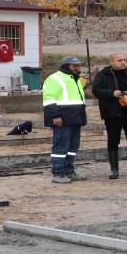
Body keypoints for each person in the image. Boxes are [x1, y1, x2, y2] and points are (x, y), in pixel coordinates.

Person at [91, 52, 127, 179]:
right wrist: (112, 93)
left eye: (124, 60)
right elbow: (96, 90)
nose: (123, 62)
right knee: (113, 141)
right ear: (111, 62)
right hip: (112, 113)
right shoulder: (103, 75)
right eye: (119, 60)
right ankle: (114, 170)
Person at [43, 55, 88, 184]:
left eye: (78, 65)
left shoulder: (76, 79)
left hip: (75, 118)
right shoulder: (54, 78)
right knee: (61, 146)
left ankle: (69, 171)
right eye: (74, 66)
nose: (77, 68)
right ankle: (58, 173)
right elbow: (49, 99)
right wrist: (55, 116)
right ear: (65, 66)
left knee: (73, 146)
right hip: (62, 118)